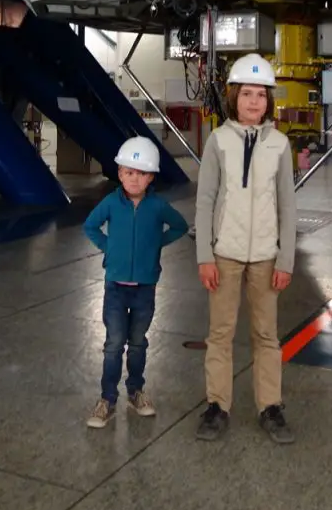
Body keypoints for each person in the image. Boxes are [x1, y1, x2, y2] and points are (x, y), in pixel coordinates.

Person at [194, 54, 297, 444]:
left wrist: (285, 258)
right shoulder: (218, 141)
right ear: (233, 97)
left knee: (266, 335)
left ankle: (270, 406)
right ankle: (217, 406)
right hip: (225, 254)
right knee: (220, 333)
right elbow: (205, 201)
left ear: (269, 101)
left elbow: (287, 205)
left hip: (266, 256)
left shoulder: (280, 145)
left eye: (261, 95)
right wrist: (206, 254)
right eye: (246, 94)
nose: (254, 102)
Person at [83, 135, 189, 429]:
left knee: (138, 343)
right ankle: (107, 399)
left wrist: (156, 243)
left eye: (141, 174)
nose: (134, 179)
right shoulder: (110, 203)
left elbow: (180, 226)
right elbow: (90, 226)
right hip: (115, 288)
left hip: (145, 288)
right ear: (119, 173)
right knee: (114, 344)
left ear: (151, 177)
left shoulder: (157, 207)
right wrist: (109, 247)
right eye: (128, 172)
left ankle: (136, 392)